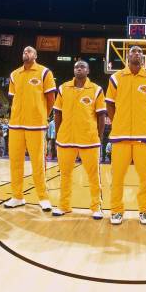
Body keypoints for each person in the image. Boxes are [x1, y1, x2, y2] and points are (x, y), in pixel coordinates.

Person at [105, 46, 146, 225]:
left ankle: (145, 211)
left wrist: (145, 122)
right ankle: (116, 211)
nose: (136, 53)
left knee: (145, 177)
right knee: (117, 177)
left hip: (144, 136)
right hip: (120, 135)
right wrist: (118, 121)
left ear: (143, 58)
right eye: (133, 51)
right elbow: (110, 105)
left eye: (139, 52)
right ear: (127, 57)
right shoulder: (115, 78)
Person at [51, 60, 105, 219]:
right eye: (76, 67)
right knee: (65, 175)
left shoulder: (96, 90)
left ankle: (96, 207)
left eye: (82, 67)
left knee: (94, 176)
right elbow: (57, 113)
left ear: (88, 71)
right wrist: (59, 134)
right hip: (66, 139)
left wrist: (99, 137)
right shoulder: (63, 88)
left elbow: (101, 116)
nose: (79, 69)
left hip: (89, 139)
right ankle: (64, 205)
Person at [4, 46, 56, 210]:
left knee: (38, 162)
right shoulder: (14, 74)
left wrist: (42, 116)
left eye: (29, 51)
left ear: (35, 55)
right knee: (15, 162)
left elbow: (51, 99)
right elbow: (13, 99)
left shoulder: (44, 72)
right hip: (16, 124)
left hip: (36, 125)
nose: (26, 52)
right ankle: (17, 196)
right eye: (24, 51)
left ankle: (43, 197)